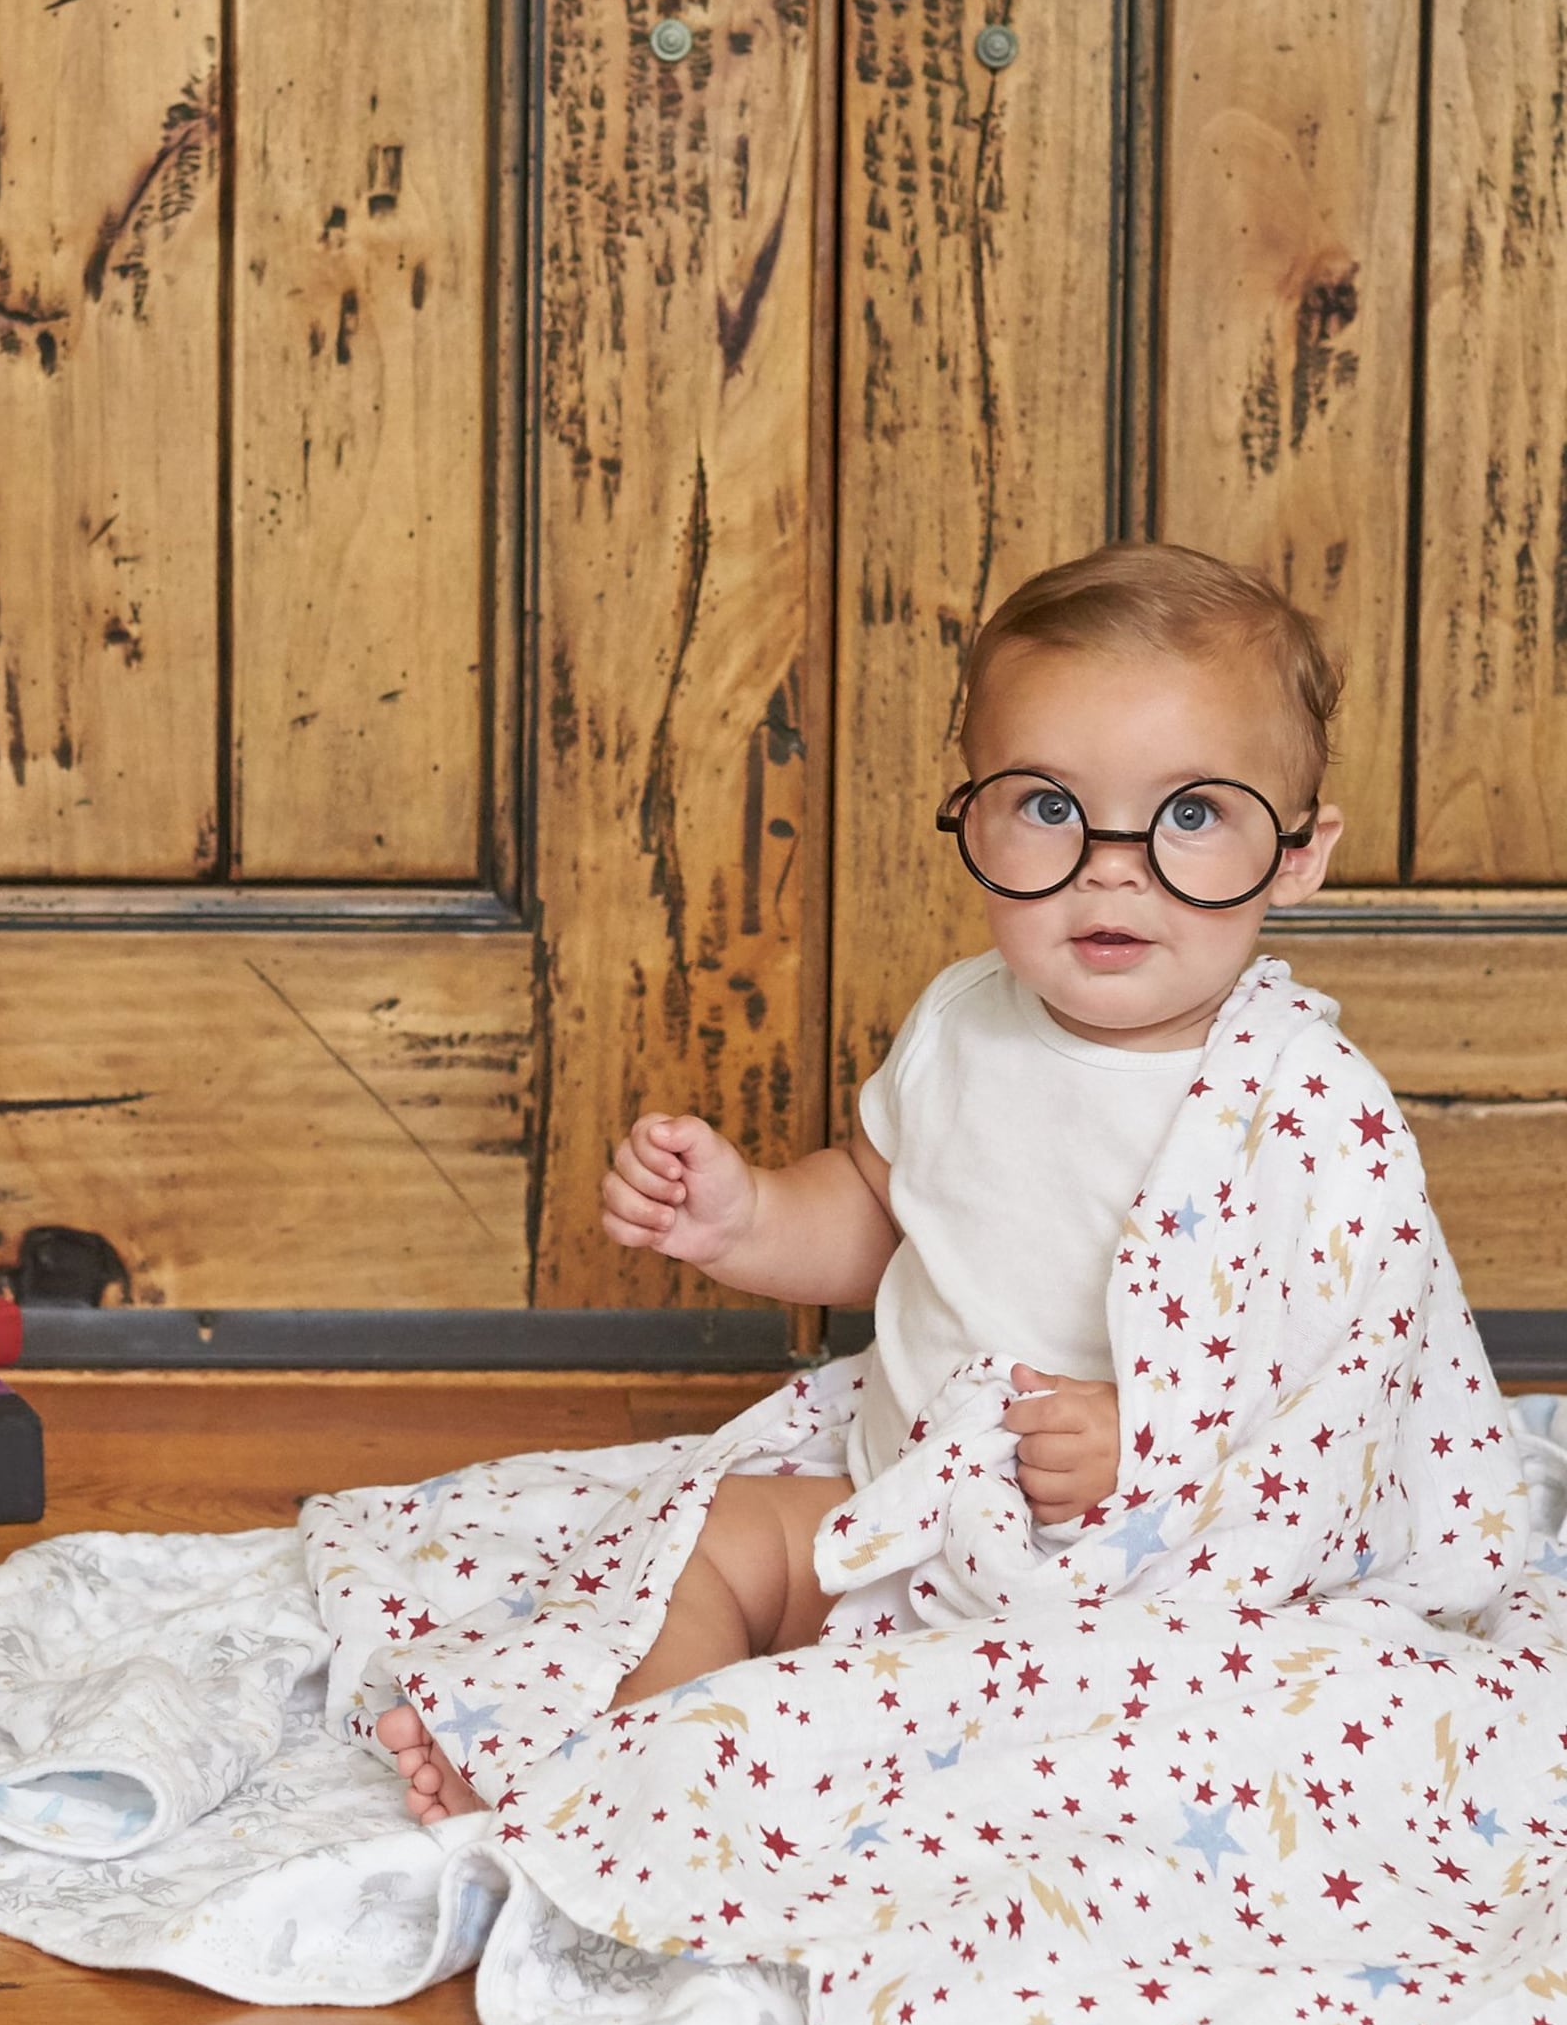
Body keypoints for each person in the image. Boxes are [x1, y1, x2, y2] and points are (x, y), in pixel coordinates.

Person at [380, 540, 1348, 1819]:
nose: (1114, 863)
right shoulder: (966, 1022)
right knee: (714, 1536)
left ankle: (834, 1778)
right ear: (972, 811)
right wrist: (748, 1219)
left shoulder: (1300, 1099)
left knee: (1199, 1728)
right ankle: (613, 1786)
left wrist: (1147, 1444)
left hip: (1130, 1576)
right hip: (905, 1518)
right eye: (1051, 806)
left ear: (1296, 854)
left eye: (1191, 814)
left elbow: (1336, 1375)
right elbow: (885, 1212)